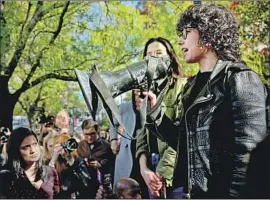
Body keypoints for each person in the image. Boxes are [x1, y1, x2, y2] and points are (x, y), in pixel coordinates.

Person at [135, 3, 268, 199]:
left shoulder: (240, 78)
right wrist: (155, 112)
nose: (180, 41)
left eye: (187, 32)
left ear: (208, 35)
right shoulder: (192, 88)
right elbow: (184, 142)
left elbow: (250, 156)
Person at [135, 37, 187, 198]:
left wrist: (161, 173)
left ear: (170, 58)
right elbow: (142, 135)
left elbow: (180, 135)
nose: (153, 58)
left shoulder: (183, 87)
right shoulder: (145, 92)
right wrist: (144, 170)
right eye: (149, 55)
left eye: (158, 53)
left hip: (176, 171)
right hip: (151, 168)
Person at [0, 127, 60, 199]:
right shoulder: (6, 177)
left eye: (35, 144)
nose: (33, 150)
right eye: (26, 147)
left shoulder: (50, 172)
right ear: (16, 151)